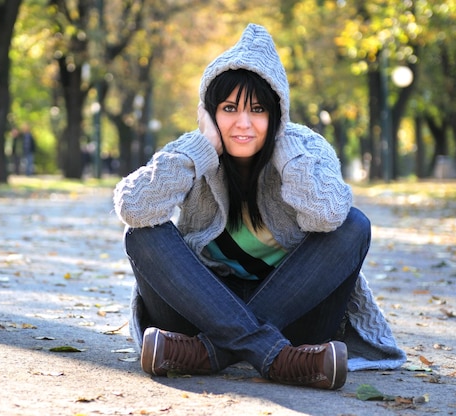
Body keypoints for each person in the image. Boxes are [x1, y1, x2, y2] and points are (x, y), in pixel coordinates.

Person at [113, 24, 406, 390]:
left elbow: (328, 215)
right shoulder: (191, 150)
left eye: (258, 109)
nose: (243, 123)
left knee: (353, 225)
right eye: (229, 108)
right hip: (200, 309)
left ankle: (209, 354)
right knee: (143, 234)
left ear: (277, 113)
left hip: (296, 317)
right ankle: (277, 358)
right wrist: (202, 147)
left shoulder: (306, 150)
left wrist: (284, 148)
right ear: (209, 112)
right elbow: (133, 206)